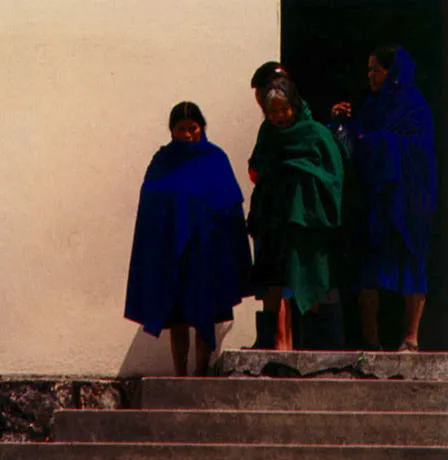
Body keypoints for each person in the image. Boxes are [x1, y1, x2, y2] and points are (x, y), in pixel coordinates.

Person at [125, 101, 252, 376]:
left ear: (202, 128)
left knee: (207, 310)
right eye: (181, 129)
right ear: (171, 131)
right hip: (173, 252)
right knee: (178, 315)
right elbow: (152, 202)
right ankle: (180, 373)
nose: (187, 135)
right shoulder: (162, 162)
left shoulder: (215, 159)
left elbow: (229, 203)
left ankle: (201, 372)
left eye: (192, 128)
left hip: (207, 250)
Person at [331, 45, 437, 351]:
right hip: (377, 201)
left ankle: (411, 337)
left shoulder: (415, 107)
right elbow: (357, 144)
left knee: (412, 264)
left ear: (393, 72)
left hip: (409, 201)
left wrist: (375, 142)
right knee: (370, 270)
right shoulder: (373, 107)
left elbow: (419, 150)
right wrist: (342, 124)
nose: (371, 76)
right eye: (368, 70)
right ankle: (371, 341)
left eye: (376, 69)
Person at [248, 81, 344, 350]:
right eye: (273, 112)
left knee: (310, 279)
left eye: (284, 110)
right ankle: (276, 345)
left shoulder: (315, 134)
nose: (279, 117)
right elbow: (258, 168)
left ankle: (316, 345)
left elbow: (333, 175)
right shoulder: (267, 135)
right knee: (274, 283)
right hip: (275, 220)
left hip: (307, 223)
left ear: (295, 107)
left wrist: (300, 176)